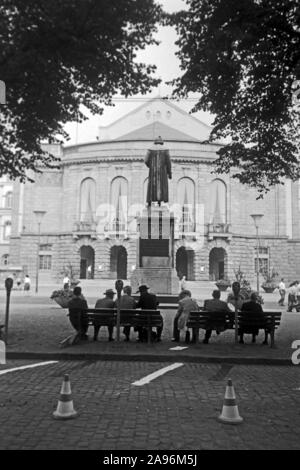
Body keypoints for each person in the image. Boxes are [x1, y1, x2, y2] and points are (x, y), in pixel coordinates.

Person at [145, 136, 172, 206]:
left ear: (155, 142)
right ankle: (159, 202)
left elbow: (146, 160)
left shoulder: (150, 149)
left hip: (153, 172)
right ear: (162, 143)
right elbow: (169, 163)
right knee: (161, 186)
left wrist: (150, 166)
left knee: (151, 186)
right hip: (163, 172)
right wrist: (169, 173)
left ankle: (150, 202)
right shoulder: (166, 150)